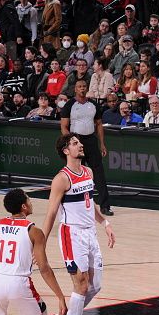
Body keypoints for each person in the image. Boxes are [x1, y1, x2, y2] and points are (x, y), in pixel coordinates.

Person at [41, 133, 115, 315]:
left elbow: (89, 204)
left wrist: (105, 223)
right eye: (75, 143)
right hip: (71, 234)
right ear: (66, 150)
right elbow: (52, 212)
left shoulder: (88, 172)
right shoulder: (61, 179)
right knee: (81, 285)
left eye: (79, 143)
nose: (80, 145)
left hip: (90, 233)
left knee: (95, 285)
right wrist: (40, 244)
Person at [61, 79, 114, 216]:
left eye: (84, 86)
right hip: (77, 140)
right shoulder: (69, 105)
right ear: (75, 89)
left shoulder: (93, 104)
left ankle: (105, 206)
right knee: (76, 173)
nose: (82, 89)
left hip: (91, 140)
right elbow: (64, 126)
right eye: (79, 86)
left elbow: (99, 124)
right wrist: (71, 143)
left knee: (99, 173)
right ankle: (74, 204)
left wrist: (102, 143)